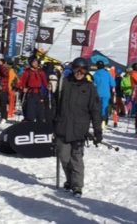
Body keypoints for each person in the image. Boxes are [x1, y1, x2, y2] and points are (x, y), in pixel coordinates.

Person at [53, 57, 102, 198]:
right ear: (72, 69)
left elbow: (95, 111)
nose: (79, 72)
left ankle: (77, 186)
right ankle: (69, 180)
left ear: (86, 71)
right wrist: (52, 122)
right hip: (62, 127)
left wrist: (97, 131)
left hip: (79, 129)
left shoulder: (90, 88)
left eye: (82, 70)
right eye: (76, 69)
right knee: (64, 157)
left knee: (76, 159)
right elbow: (55, 104)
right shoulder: (64, 83)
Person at [18, 57, 49, 122]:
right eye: (34, 62)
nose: (36, 63)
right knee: (30, 112)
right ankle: (29, 123)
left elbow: (45, 82)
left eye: (36, 62)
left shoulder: (41, 72)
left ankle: (39, 126)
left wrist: (48, 87)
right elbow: (22, 82)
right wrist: (23, 88)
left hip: (39, 94)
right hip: (30, 94)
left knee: (40, 112)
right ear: (31, 63)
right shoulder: (27, 72)